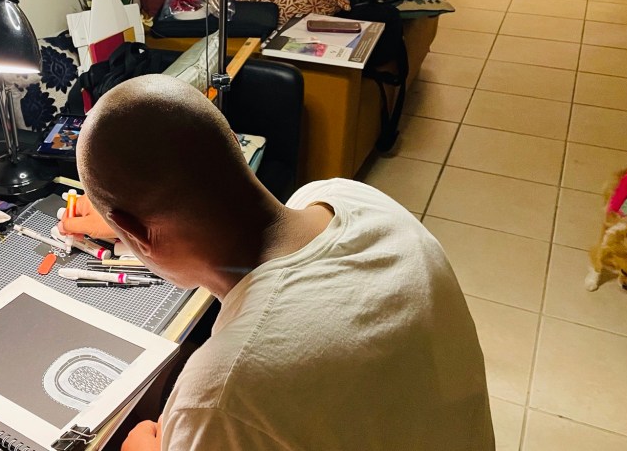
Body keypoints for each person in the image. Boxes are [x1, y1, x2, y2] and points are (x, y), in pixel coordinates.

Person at [60, 75, 494, 451]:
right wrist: (131, 227)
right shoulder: (350, 197)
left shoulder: (222, 394)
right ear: (234, 143)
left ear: (135, 232)